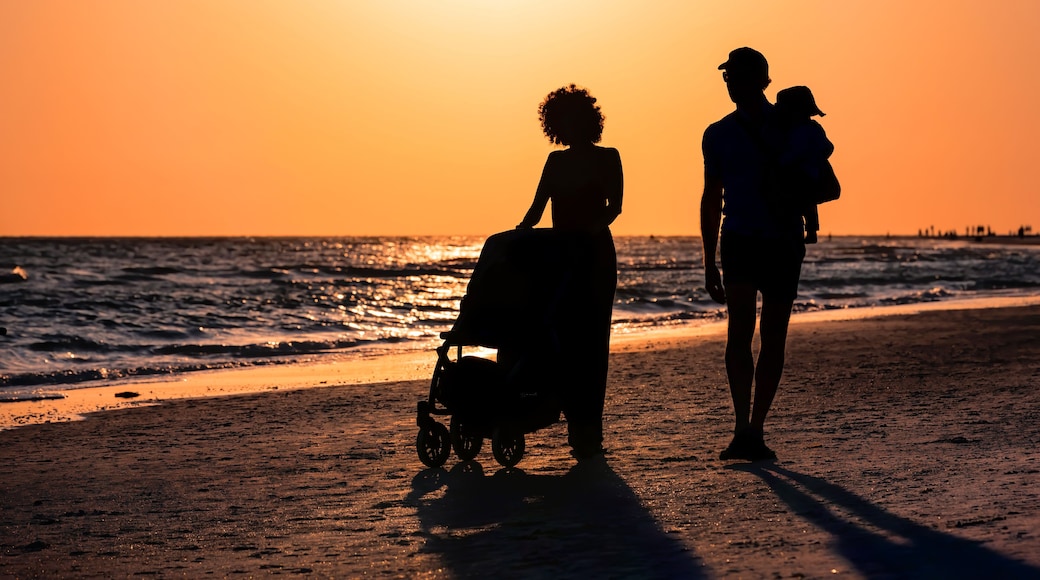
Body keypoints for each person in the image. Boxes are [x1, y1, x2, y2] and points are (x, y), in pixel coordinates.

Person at [700, 48, 806, 461]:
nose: (732, 83)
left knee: (770, 334)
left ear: (762, 80)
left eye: (739, 76)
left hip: (778, 239)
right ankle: (744, 428)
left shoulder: (790, 124)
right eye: (728, 76)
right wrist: (708, 259)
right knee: (742, 333)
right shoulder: (717, 133)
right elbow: (711, 197)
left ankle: (754, 428)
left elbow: (816, 168)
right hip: (745, 239)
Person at [517, 84, 623, 459]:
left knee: (592, 342)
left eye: (575, 118)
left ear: (588, 120)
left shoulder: (608, 157)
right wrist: (517, 234)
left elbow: (615, 207)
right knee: (562, 339)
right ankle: (567, 415)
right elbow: (536, 209)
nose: (570, 125)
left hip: (595, 256)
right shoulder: (555, 161)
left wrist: (587, 231)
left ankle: (588, 429)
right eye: (563, 119)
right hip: (560, 256)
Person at [774, 85, 835, 244]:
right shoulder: (809, 128)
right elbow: (828, 147)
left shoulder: (801, 131)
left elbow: (824, 148)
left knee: (806, 203)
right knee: (808, 204)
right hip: (808, 172)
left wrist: (810, 158)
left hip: (804, 173)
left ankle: (811, 231)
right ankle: (811, 231)